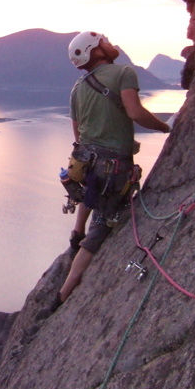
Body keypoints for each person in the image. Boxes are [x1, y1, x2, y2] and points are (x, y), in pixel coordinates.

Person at [56, 31, 171, 306]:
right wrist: (167, 126)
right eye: (104, 42)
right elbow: (135, 113)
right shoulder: (123, 73)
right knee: (102, 227)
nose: (110, 44)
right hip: (114, 167)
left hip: (87, 161)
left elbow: (79, 136)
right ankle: (63, 293)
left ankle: (76, 231)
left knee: (89, 191)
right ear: (96, 51)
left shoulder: (77, 89)